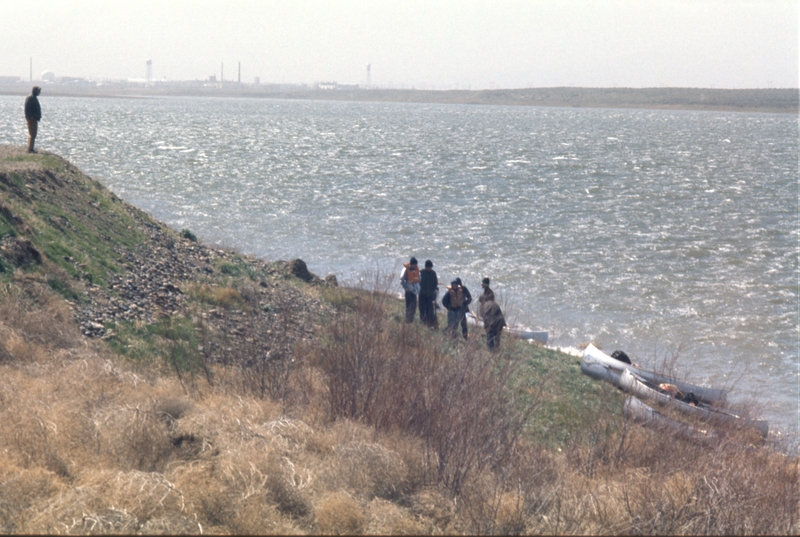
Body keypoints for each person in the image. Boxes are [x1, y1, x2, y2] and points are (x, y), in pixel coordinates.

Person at [418, 259, 439, 328]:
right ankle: (422, 322)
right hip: (422, 295)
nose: (429, 268)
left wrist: (434, 292)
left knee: (430, 310)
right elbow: (418, 283)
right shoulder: (421, 273)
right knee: (422, 309)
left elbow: (435, 284)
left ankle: (430, 323)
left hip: (430, 295)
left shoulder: (433, 273)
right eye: (428, 267)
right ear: (426, 267)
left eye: (430, 267)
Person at [400, 257, 420, 323]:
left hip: (415, 292)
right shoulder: (405, 270)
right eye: (414, 265)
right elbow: (402, 281)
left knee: (414, 306)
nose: (415, 266)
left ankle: (412, 319)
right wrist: (406, 288)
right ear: (411, 264)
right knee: (408, 306)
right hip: (408, 291)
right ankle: (407, 320)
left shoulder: (417, 270)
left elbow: (419, 279)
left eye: (416, 265)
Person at [24, 86, 42, 153]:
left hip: (34, 118)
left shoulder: (33, 98)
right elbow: (27, 108)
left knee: (33, 134)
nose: (39, 93)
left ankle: (30, 147)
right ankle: (30, 149)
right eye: (38, 91)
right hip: (32, 119)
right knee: (32, 134)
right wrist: (30, 117)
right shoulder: (31, 98)